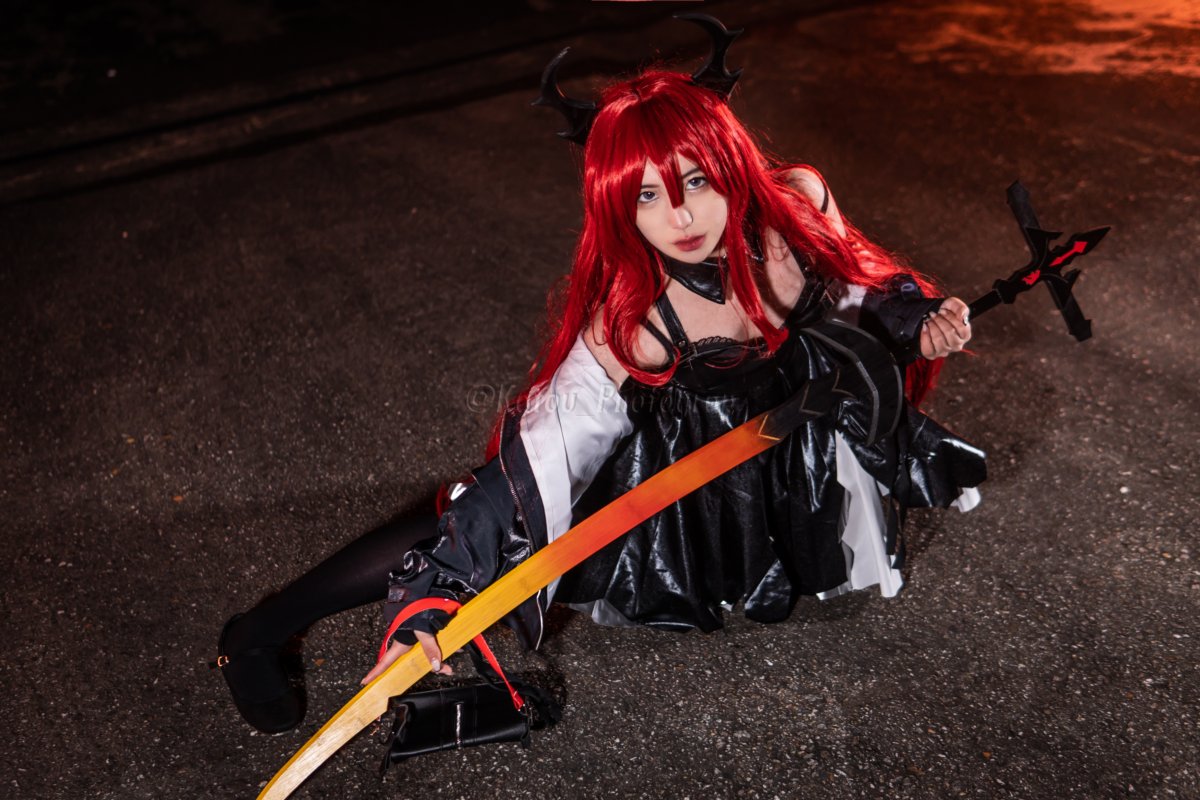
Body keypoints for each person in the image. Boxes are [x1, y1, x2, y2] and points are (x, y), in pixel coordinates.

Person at [215, 27, 984, 735]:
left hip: (773, 445)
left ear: (730, 163)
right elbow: (528, 474)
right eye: (647, 195)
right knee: (495, 510)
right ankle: (258, 632)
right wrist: (432, 599)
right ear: (618, 206)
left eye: (694, 180)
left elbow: (856, 288)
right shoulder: (636, 324)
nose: (681, 218)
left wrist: (917, 318)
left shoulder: (798, 206)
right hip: (664, 463)